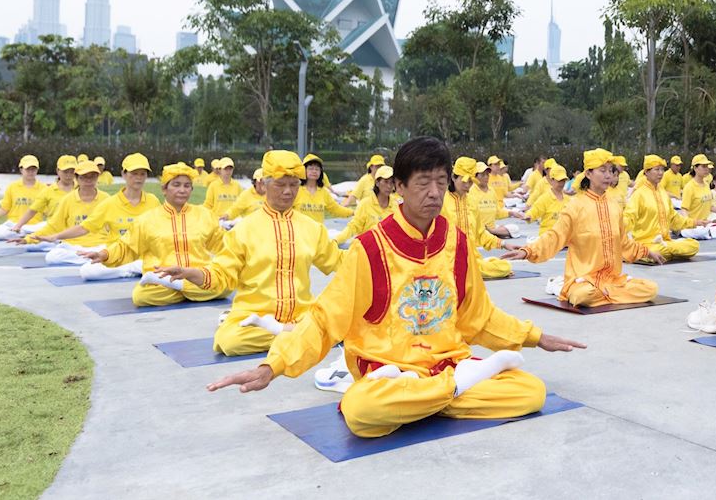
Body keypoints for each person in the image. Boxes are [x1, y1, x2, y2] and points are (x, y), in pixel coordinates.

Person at [205, 136, 586, 438]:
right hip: (388, 370)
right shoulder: (370, 248)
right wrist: (273, 366)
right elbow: (325, 319)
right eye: (423, 183)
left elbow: (478, 317)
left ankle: (439, 392)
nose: (434, 192)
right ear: (399, 186)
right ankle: (455, 389)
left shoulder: (456, 243)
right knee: (362, 409)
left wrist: (534, 336)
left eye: (441, 182)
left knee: (530, 392)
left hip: (445, 363)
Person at [156, 150, 345, 356]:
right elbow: (221, 275)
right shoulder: (244, 230)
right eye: (280, 185)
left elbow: (339, 261)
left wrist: (368, 249)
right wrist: (190, 273)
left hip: (301, 314)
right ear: (264, 185)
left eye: (293, 185)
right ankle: (299, 335)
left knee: (341, 322)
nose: (288, 191)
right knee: (228, 341)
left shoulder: (312, 228)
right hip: (256, 316)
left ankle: (284, 331)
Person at [501, 149, 664, 306]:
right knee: (583, 295)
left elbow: (623, 242)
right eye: (602, 170)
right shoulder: (576, 206)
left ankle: (606, 292)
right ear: (588, 174)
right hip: (584, 280)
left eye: (610, 170)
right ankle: (568, 287)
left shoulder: (614, 206)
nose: (608, 175)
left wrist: (647, 252)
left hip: (611, 279)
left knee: (650, 289)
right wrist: (527, 251)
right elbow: (555, 236)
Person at [79, 163, 230, 305]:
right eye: (176, 185)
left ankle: (180, 285)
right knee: (141, 296)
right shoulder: (147, 219)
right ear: (164, 189)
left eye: (187, 186)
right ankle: (183, 288)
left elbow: (223, 244)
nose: (182, 190)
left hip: (197, 275)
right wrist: (105, 254)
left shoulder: (204, 215)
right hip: (164, 276)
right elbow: (127, 246)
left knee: (226, 285)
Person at [15, 159, 114, 264]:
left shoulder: (106, 199)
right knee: (52, 257)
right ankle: (92, 259)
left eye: (92, 177)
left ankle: (93, 257)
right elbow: (54, 225)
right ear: (77, 178)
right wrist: (28, 239)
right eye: (84, 177)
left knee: (112, 252)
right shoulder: (68, 199)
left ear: (97, 177)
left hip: (99, 244)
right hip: (72, 245)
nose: (88, 180)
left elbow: (115, 224)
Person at [443, 158, 514, 279]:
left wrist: (503, 244)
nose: (467, 185)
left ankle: (477, 266)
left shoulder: (472, 201)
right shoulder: (441, 201)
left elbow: (480, 233)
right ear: (453, 178)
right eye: (464, 181)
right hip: (447, 257)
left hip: (471, 256)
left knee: (505, 267)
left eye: (471, 181)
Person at [624, 155, 705, 261]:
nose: (661, 173)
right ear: (646, 172)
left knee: (693, 245)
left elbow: (674, 218)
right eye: (657, 169)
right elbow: (629, 217)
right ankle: (649, 253)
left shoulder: (663, 192)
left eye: (662, 169)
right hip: (647, 243)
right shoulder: (639, 194)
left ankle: (666, 252)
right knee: (656, 250)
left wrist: (694, 222)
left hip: (665, 242)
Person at [6, 155, 76, 235]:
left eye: (72, 172)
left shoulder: (81, 189)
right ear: (58, 171)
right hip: (54, 232)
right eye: (65, 171)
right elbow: (32, 210)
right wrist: (18, 226)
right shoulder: (48, 191)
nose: (69, 175)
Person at [0, 155, 45, 238]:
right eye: (28, 169)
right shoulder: (12, 187)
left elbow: (49, 211)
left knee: (46, 226)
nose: (31, 172)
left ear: (37, 170)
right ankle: (25, 234)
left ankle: (23, 233)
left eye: (33, 169)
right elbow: (3, 210)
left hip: (34, 226)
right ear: (21, 170)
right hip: (13, 224)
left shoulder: (44, 188)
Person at [334, 165, 399, 244]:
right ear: (377, 183)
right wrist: (336, 240)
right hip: (366, 247)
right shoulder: (365, 204)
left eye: (392, 182)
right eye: (386, 182)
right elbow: (353, 227)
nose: (389, 186)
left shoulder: (396, 206)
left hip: (387, 249)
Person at [296, 154, 351, 222]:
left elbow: (336, 209)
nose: (314, 171)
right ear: (304, 170)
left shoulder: (324, 192)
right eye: (311, 168)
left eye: (317, 169)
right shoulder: (296, 190)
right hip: (299, 228)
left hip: (318, 228)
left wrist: (353, 213)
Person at [521, 162, 569, 234]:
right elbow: (536, 208)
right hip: (547, 235)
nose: (562, 184)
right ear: (552, 180)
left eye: (563, 180)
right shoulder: (545, 198)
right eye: (559, 181)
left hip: (563, 236)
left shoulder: (568, 200)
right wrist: (529, 215)